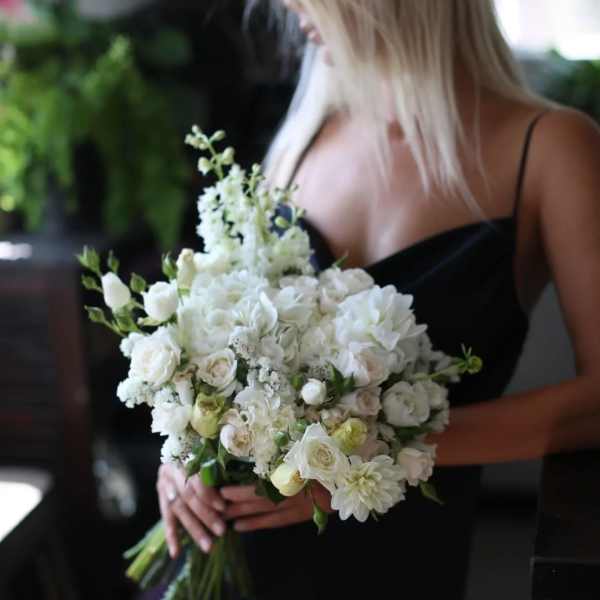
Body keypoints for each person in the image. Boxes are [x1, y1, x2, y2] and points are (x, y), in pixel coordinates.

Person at [156, 1, 600, 597]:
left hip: (393, 567)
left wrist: (373, 452)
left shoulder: (551, 148)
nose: (289, 6)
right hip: (223, 554)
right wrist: (183, 451)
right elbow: (223, 347)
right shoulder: (304, 137)